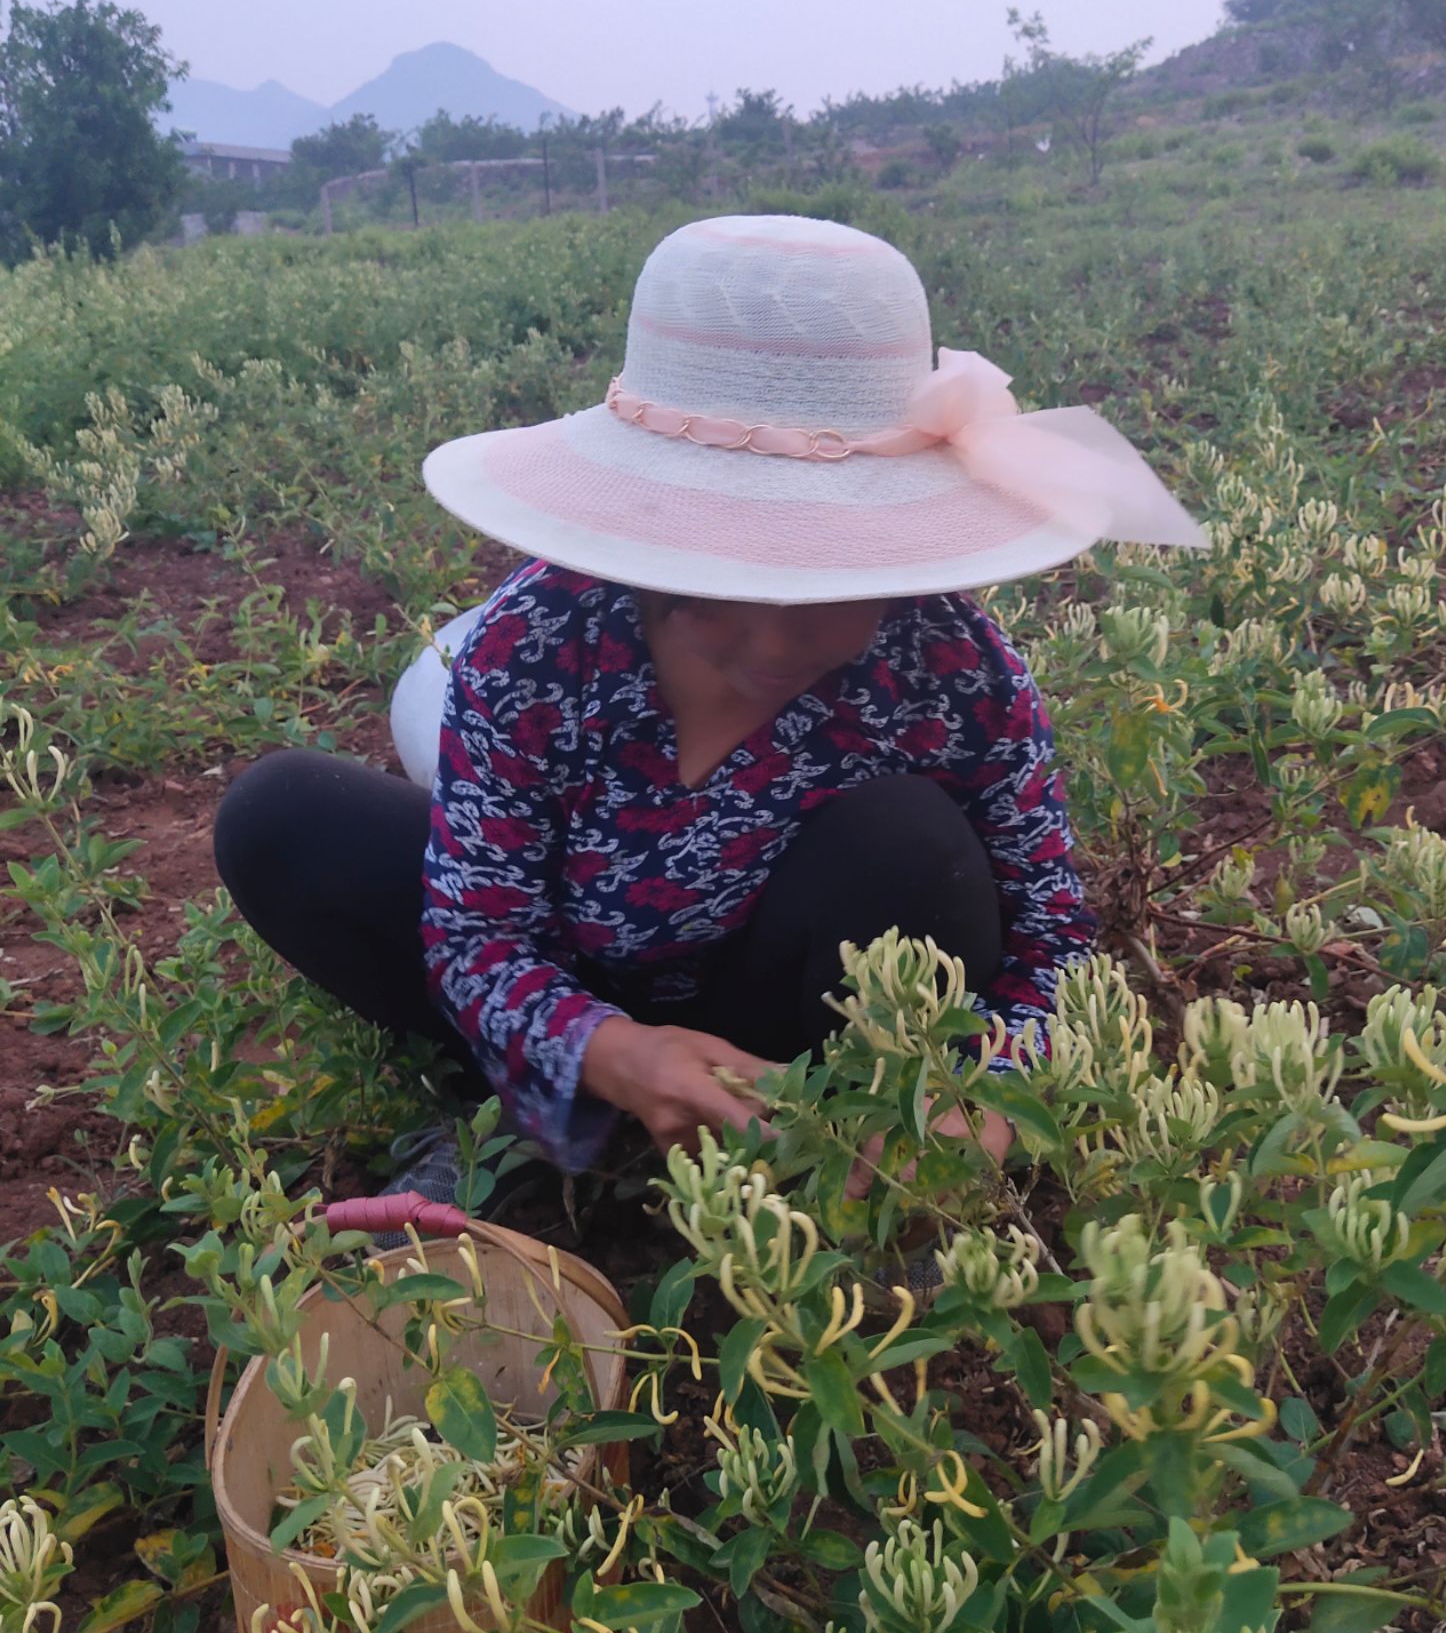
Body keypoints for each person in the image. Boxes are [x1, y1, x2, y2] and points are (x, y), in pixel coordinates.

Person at [213, 214, 1204, 1206]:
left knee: (910, 842)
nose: (767, 646)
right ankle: (550, 1107)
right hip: (578, 984)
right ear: (644, 528)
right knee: (284, 818)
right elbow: (478, 933)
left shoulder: (954, 671)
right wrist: (609, 1047)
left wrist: (986, 1098)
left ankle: (822, 1139)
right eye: (707, 591)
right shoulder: (537, 642)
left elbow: (1056, 946)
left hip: (799, 1022)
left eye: (823, 592)